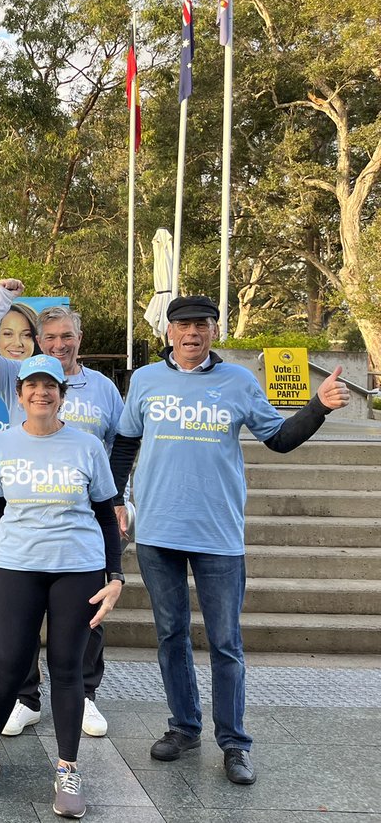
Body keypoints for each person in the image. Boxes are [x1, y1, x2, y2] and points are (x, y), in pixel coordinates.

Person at [110, 295, 350, 786]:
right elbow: (127, 441)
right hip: (157, 532)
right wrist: (115, 498)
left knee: (226, 643)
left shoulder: (239, 381)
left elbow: (278, 439)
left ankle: (235, 743)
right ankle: (183, 728)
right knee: (172, 636)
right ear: (169, 333)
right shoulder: (145, 380)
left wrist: (318, 407)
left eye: (201, 325)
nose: (192, 333)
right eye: (183, 326)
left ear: (214, 332)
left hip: (218, 535)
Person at [0, 354, 124, 820]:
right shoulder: (2, 444)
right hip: (18, 567)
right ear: (20, 394)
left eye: (50, 386)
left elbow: (106, 516)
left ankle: (68, 768)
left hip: (77, 569)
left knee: (67, 667)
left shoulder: (86, 446)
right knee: (10, 666)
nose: (41, 393)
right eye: (32, 385)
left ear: (62, 394)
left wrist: (115, 577)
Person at [0, 279, 127, 739]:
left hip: (84, 525)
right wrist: (2, 299)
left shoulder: (100, 388)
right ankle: (27, 698)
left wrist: (118, 499)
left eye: (66, 337)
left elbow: (119, 444)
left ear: (79, 340)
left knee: (85, 621)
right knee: (17, 634)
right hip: (26, 531)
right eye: (50, 337)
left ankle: (85, 696)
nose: (59, 345)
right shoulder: (17, 377)